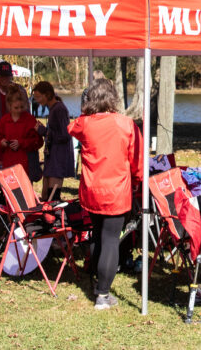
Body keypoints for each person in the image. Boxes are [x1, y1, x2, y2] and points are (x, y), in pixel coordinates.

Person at [68, 78, 143, 310]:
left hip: (92, 191)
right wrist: (139, 181)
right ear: (113, 98)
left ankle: (95, 279)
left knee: (98, 234)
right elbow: (138, 161)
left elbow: (71, 127)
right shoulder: (126, 124)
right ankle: (103, 294)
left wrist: (85, 108)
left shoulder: (85, 123)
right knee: (110, 239)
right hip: (116, 192)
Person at [32, 80, 74, 202]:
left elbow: (65, 135)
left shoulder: (59, 109)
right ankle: (49, 218)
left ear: (48, 94)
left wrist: (44, 132)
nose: (37, 100)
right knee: (46, 196)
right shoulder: (53, 109)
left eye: (39, 97)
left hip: (58, 158)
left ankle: (55, 219)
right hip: (52, 157)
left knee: (53, 197)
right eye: (36, 97)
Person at [0, 84, 43, 178]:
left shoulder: (30, 120)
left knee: (24, 192)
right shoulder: (4, 121)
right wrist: (2, 143)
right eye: (16, 108)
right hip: (8, 165)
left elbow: (39, 142)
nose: (19, 110)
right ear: (9, 105)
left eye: (22, 107)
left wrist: (21, 143)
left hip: (25, 167)